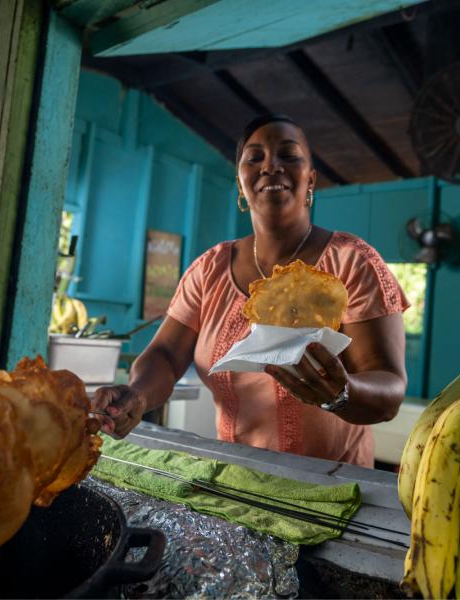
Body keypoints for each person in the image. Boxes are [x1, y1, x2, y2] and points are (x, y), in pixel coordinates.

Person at [94, 114, 408, 467]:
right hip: (235, 481)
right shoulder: (209, 269)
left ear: (311, 181)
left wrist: (341, 393)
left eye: (289, 156)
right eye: (254, 158)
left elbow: (389, 390)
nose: (271, 166)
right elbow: (165, 355)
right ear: (240, 184)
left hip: (332, 487)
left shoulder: (353, 263)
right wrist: (136, 395)